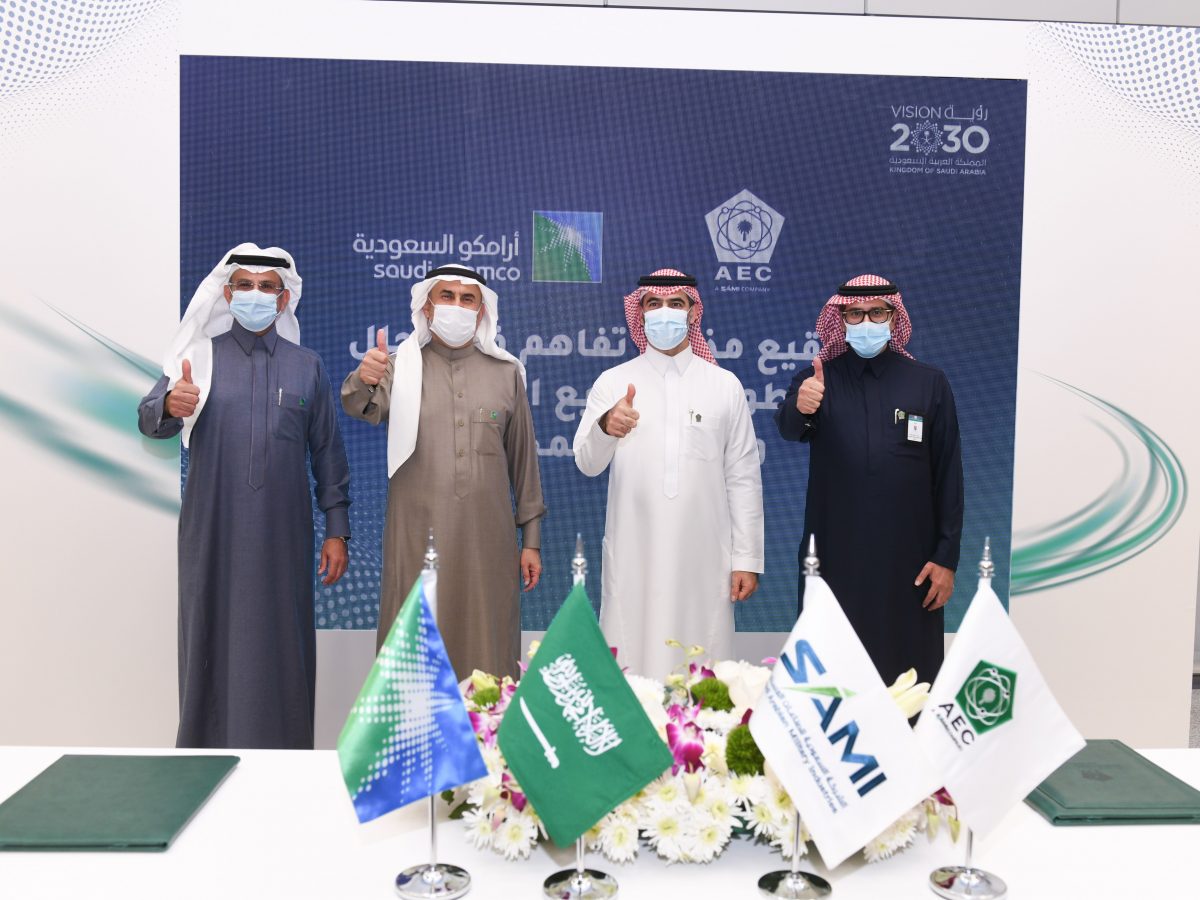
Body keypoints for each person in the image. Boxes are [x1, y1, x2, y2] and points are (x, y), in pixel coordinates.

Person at [137, 243, 351, 749]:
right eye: (246, 285)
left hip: (283, 534)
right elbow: (149, 419)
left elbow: (327, 453)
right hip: (213, 530)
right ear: (228, 293)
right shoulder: (198, 358)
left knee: (282, 644)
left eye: (267, 286)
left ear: (283, 300)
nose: (256, 294)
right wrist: (170, 402)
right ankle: (202, 758)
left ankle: (284, 760)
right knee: (208, 635)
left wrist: (337, 529)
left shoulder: (307, 366)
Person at [341, 264, 545, 680]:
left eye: (467, 299)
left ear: (481, 311)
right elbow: (362, 407)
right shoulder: (400, 367)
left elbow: (524, 461)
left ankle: (485, 739)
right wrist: (365, 379)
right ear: (428, 308)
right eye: (446, 297)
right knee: (414, 650)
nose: (457, 306)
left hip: (488, 542)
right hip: (416, 539)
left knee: (488, 650)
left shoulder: (506, 374)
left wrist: (532, 540)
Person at [573, 268, 764, 678]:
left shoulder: (723, 385)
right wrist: (606, 427)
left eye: (675, 304)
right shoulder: (614, 381)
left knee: (701, 665)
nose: (664, 312)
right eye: (653, 303)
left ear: (693, 312)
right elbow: (587, 463)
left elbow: (743, 475)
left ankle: (698, 740)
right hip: (633, 549)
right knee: (629, 660)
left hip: (705, 555)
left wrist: (747, 558)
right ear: (639, 313)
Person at [776, 273, 963, 683]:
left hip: (910, 561)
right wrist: (802, 406)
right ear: (840, 319)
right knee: (831, 668)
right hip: (834, 558)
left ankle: (910, 746)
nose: (865, 322)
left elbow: (949, 474)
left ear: (894, 318)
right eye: (854, 314)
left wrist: (945, 558)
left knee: (909, 672)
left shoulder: (928, 383)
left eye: (876, 312)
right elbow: (788, 428)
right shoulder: (819, 377)